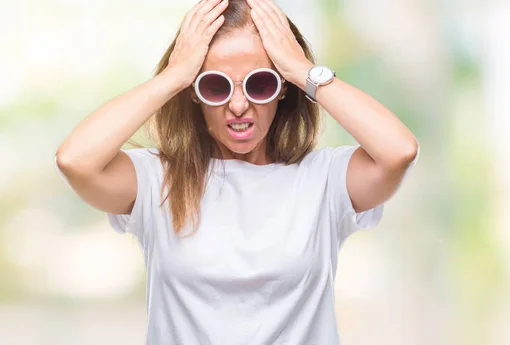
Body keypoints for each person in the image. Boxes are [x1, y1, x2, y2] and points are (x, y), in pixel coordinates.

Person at [55, 0, 419, 343]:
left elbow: (398, 151)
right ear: (195, 92)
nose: (239, 105)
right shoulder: (157, 180)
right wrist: (174, 76)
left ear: (283, 89)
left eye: (261, 83)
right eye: (216, 86)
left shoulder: (323, 179)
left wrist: (300, 69)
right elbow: (76, 161)